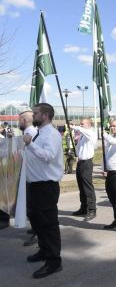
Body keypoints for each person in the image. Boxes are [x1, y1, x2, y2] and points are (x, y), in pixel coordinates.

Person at [23, 103, 63, 279]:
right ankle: (44, 251)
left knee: (48, 225)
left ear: (45, 115)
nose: (33, 116)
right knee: (38, 222)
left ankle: (54, 261)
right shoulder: (40, 133)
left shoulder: (52, 134)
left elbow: (48, 156)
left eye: (36, 113)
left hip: (46, 186)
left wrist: (30, 144)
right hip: (35, 185)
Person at [71, 118, 98, 221]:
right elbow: (79, 148)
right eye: (80, 124)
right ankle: (83, 208)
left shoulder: (91, 133)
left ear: (89, 125)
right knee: (81, 186)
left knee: (87, 187)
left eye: (83, 124)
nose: (81, 126)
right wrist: (76, 154)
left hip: (87, 163)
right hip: (80, 162)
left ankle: (92, 210)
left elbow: (83, 130)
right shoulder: (82, 136)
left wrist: (74, 127)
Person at [18, 110, 39, 246]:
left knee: (32, 206)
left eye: (19, 120)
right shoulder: (29, 132)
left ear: (24, 121)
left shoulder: (30, 133)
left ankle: (37, 233)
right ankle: (35, 229)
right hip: (28, 173)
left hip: (31, 174)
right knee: (30, 205)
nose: (18, 122)